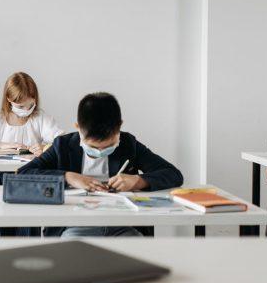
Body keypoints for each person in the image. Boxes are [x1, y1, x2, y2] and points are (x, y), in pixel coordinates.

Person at [18, 92, 183, 237]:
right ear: (78, 128)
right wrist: (68, 177)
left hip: (122, 226)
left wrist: (138, 181)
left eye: (109, 145)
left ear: (119, 127)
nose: (101, 151)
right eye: (94, 147)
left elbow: (173, 174)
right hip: (75, 226)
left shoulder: (128, 144)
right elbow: (23, 175)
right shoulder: (63, 146)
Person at [0, 71, 64, 236]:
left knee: (27, 201)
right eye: (21, 107)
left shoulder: (40, 118)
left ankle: (24, 248)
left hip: (27, 177)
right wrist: (1, 147)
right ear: (9, 100)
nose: (27, 110)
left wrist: (43, 147)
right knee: (8, 201)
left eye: (31, 104)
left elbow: (63, 143)